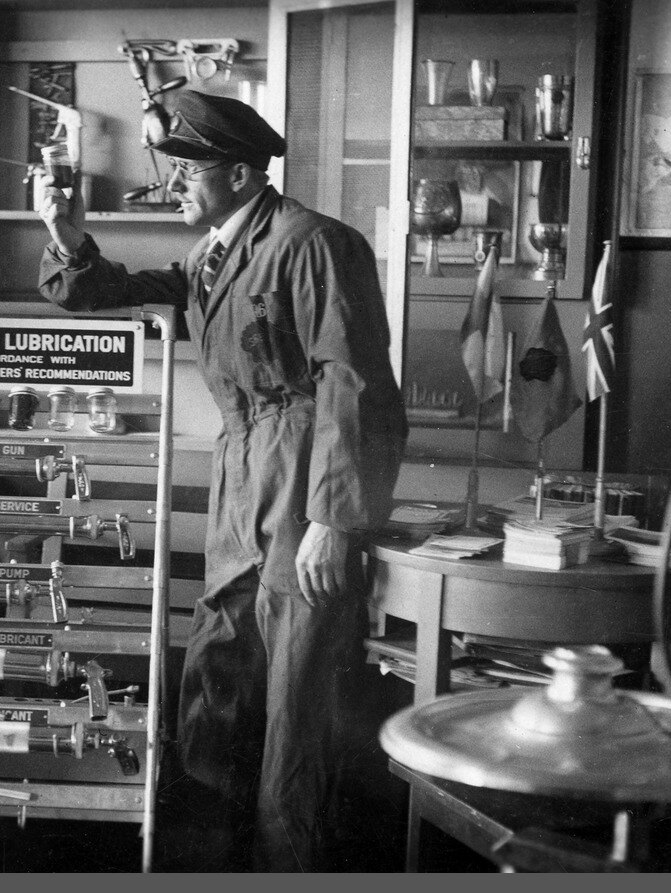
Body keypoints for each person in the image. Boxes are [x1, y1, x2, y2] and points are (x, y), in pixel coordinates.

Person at [36, 90, 408, 871]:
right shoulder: (214, 255)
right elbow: (103, 290)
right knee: (217, 682)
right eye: (168, 167)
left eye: (186, 170)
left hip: (299, 480)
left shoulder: (314, 243)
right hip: (239, 477)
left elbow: (356, 385)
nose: (170, 183)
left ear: (240, 174)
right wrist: (66, 238)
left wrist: (334, 520)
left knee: (295, 706)